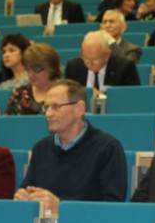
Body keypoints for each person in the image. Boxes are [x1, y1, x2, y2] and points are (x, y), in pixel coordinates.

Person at [14, 80, 127, 212]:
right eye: (46, 107)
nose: (48, 114)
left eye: (55, 106)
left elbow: (113, 207)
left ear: (79, 109)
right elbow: (28, 188)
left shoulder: (108, 148)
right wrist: (23, 197)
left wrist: (61, 208)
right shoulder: (41, 148)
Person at [64, 30, 140, 91]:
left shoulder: (124, 67)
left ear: (107, 54)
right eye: (85, 58)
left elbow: (133, 96)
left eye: (94, 60)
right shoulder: (73, 67)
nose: (89, 64)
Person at [5, 43, 62, 115]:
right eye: (27, 70)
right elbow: (8, 122)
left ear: (50, 67)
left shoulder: (66, 94)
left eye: (36, 70)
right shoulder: (20, 94)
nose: (30, 75)